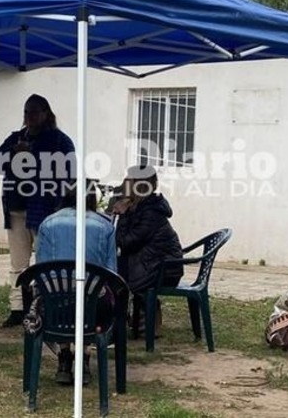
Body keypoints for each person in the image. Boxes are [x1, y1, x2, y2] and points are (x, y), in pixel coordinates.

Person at [0, 94, 75, 328]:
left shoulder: (60, 141)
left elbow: (69, 174)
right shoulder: (16, 138)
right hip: (16, 210)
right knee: (18, 264)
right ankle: (17, 308)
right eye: (27, 112)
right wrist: (13, 155)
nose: (30, 117)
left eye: (35, 111)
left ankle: (43, 305)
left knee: (45, 262)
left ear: (46, 113)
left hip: (46, 211)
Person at [35, 180, 117, 385]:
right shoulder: (105, 226)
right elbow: (111, 272)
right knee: (98, 297)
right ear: (93, 199)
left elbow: (41, 269)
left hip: (55, 307)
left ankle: (64, 357)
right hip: (93, 308)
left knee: (57, 294)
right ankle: (85, 358)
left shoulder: (47, 223)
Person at [113, 165, 183, 336]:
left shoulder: (151, 211)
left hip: (163, 269)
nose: (123, 184)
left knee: (113, 276)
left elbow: (126, 242)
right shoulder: (143, 207)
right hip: (151, 262)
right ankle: (126, 321)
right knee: (113, 270)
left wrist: (121, 215)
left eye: (128, 180)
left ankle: (117, 325)